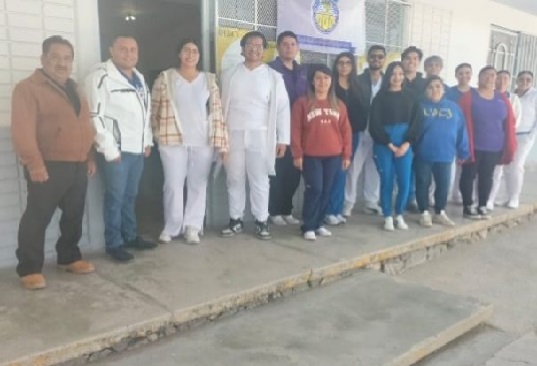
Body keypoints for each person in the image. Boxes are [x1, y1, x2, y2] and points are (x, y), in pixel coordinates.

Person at [11, 36, 96, 290]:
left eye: (67, 58)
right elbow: (22, 130)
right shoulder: (28, 88)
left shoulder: (76, 88)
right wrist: (34, 164)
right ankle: (29, 268)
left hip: (78, 163)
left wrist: (90, 156)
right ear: (43, 59)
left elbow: (86, 124)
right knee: (37, 217)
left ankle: (68, 257)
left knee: (74, 215)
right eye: (56, 57)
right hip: (47, 165)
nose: (62, 63)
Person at [85, 36, 157, 263]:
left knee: (131, 195)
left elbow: (145, 113)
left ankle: (131, 235)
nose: (128, 54)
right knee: (115, 198)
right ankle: (113, 244)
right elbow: (93, 116)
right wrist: (109, 149)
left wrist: (147, 141)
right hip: (117, 152)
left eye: (133, 49)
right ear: (111, 50)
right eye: (123, 49)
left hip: (137, 150)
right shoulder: (100, 77)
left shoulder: (139, 77)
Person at [151, 39, 228, 245]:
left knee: (198, 185)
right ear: (179, 54)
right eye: (186, 50)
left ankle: (192, 227)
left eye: (195, 51)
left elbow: (217, 112)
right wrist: (156, 134)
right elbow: (154, 109)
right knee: (173, 184)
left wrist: (222, 143)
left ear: (199, 56)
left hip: (202, 141)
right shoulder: (166, 78)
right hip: (172, 140)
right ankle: (172, 226)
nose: (191, 55)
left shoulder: (209, 80)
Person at [220, 31, 290, 240]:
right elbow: (221, 107)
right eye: (250, 44)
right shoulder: (229, 74)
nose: (255, 48)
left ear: (264, 50)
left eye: (259, 45)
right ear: (242, 48)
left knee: (260, 178)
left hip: (261, 135)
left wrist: (283, 139)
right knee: (234, 177)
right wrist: (220, 138)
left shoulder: (273, 77)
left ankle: (261, 221)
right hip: (233, 134)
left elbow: (282, 109)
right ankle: (236, 219)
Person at [291, 64, 352, 240]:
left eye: (326, 78)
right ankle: (307, 226)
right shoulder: (302, 103)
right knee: (315, 189)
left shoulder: (339, 105)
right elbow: (295, 130)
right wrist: (297, 153)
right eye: (318, 78)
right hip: (311, 156)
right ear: (312, 81)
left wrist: (346, 154)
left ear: (331, 81)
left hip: (333, 155)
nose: (322, 82)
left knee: (327, 190)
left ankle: (318, 224)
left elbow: (346, 131)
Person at [458, 66, 517, 220]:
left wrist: (508, 144)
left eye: (492, 75)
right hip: (473, 145)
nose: (489, 78)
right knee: (468, 175)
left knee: (487, 176)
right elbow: (461, 120)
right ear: (479, 77)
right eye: (486, 75)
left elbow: (509, 121)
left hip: (494, 146)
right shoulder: (469, 96)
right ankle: (467, 206)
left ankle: (482, 205)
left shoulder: (501, 98)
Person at [369, 61, 421, 231]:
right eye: (393, 74)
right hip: (384, 145)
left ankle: (399, 214)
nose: (397, 77)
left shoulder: (412, 97)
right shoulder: (379, 98)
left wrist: (406, 144)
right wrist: (389, 144)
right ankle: (387, 216)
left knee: (405, 182)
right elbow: (374, 125)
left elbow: (416, 123)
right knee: (387, 181)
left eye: (400, 74)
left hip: (405, 144)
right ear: (388, 76)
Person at [415, 76, 469, 227]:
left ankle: (440, 212)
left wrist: (463, 151)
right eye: (431, 87)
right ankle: (424, 212)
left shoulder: (453, 108)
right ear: (425, 90)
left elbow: (461, 130)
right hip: (423, 154)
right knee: (422, 183)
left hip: (445, 154)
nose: (434, 90)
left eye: (438, 86)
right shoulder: (419, 107)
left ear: (444, 89)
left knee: (443, 185)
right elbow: (412, 130)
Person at [267, 31, 307, 226]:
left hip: (299, 132)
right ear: (278, 47)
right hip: (276, 130)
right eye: (285, 44)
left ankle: (286, 210)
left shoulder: (303, 72)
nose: (289, 47)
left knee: (293, 174)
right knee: (277, 173)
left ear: (297, 48)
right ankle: (273, 212)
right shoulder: (270, 70)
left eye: (292, 44)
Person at [324, 52, 367, 226]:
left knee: (343, 172)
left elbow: (363, 110)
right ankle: (328, 211)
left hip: (353, 135)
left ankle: (336, 210)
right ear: (336, 66)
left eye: (348, 63)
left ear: (352, 66)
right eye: (340, 63)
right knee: (333, 173)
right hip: (332, 135)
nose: (344, 66)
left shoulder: (358, 86)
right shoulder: (330, 86)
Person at [343, 45, 384, 217]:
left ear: (384, 59)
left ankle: (371, 202)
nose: (376, 59)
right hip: (360, 130)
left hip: (379, 133)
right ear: (367, 59)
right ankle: (347, 204)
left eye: (380, 57)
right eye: (373, 56)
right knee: (353, 169)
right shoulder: (358, 80)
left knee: (374, 169)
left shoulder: (389, 81)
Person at [495, 71, 537, 209]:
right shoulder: (511, 95)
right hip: (508, 135)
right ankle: (506, 196)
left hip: (524, 136)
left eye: (528, 80)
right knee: (506, 166)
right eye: (521, 79)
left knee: (517, 166)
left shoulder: (534, 95)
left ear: (532, 81)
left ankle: (515, 197)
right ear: (516, 80)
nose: (524, 82)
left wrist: (531, 136)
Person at [487, 70, 522, 210]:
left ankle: (490, 199)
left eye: (505, 79)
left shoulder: (513, 99)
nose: (501, 81)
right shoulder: (488, 94)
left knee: (497, 170)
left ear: (509, 81)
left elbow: (516, 121)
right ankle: (479, 197)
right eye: (499, 78)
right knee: (483, 170)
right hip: (487, 137)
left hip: (503, 138)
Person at [401, 46, 426, 212]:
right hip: (399, 128)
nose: (411, 61)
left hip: (420, 128)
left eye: (415, 58)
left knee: (415, 166)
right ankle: (396, 198)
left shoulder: (424, 83)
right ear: (402, 61)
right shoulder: (396, 79)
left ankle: (411, 197)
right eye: (408, 58)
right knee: (399, 165)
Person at [446, 63, 474, 203]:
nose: (464, 76)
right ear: (456, 75)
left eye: (467, 73)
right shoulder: (449, 93)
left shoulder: (475, 93)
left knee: (465, 164)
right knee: (452, 165)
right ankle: (447, 194)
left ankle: (458, 193)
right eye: (461, 73)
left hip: (470, 133)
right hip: (452, 133)